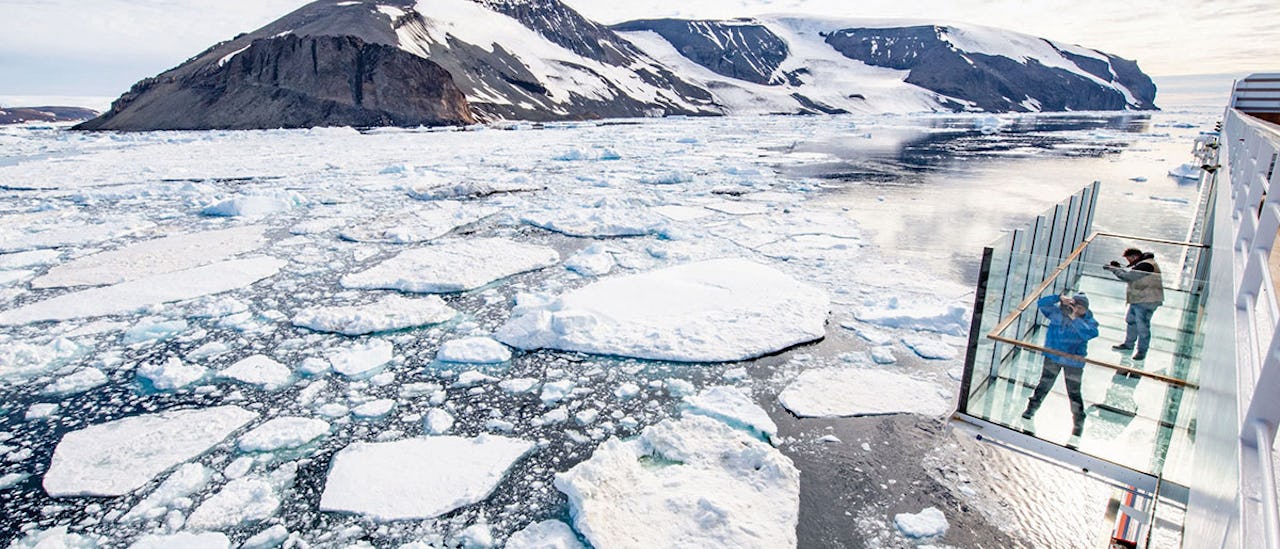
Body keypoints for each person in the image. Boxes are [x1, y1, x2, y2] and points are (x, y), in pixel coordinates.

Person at [1022, 293, 1099, 437]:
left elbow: (1091, 333)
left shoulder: (1089, 320)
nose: (1077, 310)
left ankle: (1078, 421)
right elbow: (1041, 303)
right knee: (1044, 385)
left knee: (1074, 392)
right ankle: (1031, 409)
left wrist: (1075, 318)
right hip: (1053, 357)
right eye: (1075, 306)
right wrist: (1058, 298)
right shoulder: (1057, 314)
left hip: (1073, 363)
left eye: (1081, 308)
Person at [1103, 247, 1164, 361]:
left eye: (1129, 259)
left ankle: (1141, 351)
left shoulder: (1146, 265)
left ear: (1134, 257)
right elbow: (1133, 274)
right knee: (1131, 321)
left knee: (1142, 327)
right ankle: (1128, 345)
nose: (1129, 262)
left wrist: (1113, 269)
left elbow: (1128, 277)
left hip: (1146, 301)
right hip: (1139, 299)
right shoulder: (1145, 264)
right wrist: (1118, 268)